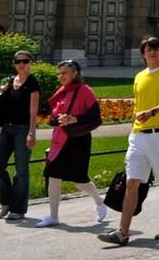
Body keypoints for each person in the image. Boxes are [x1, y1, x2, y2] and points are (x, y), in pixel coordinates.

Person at [98, 36, 159, 245]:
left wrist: (151, 112)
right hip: (138, 136)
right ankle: (122, 232)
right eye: (148, 49)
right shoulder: (139, 76)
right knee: (131, 182)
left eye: (155, 49)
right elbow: (137, 106)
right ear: (143, 54)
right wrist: (133, 130)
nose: (152, 52)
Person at [34, 58, 105, 227]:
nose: (61, 76)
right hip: (60, 140)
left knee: (78, 179)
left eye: (65, 73)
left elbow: (95, 116)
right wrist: (56, 119)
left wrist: (74, 119)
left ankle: (100, 201)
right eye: (59, 73)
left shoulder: (85, 91)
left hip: (78, 139)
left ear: (75, 73)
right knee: (53, 176)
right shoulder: (62, 91)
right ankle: (53, 216)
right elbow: (53, 116)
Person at [0, 49, 40, 221]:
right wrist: (2, 92)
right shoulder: (11, 82)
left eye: (25, 61)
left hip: (23, 129)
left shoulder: (32, 84)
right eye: (18, 62)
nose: (22, 65)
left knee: (21, 170)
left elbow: (33, 112)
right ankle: (6, 202)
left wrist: (32, 133)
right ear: (14, 64)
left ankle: (18, 208)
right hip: (7, 129)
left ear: (30, 63)